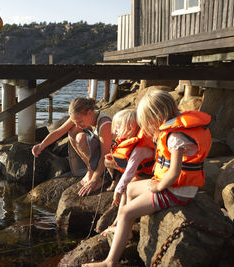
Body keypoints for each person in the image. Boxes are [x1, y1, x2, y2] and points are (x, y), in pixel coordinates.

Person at [82, 90, 211, 267]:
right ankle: (123, 228)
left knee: (128, 211)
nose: (148, 128)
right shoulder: (178, 129)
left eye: (148, 123)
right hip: (174, 185)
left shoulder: (175, 137)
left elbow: (174, 173)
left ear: (157, 117)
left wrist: (158, 186)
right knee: (130, 188)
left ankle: (110, 261)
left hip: (176, 191)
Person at [32, 97, 113, 197]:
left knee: (80, 137)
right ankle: (90, 169)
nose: (77, 125)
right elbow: (59, 132)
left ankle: (101, 177)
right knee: (72, 131)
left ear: (89, 113)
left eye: (79, 122)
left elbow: (105, 155)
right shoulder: (78, 117)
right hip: (96, 154)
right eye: (75, 122)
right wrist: (42, 145)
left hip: (109, 162)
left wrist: (94, 180)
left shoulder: (104, 124)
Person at [101, 109, 155, 236]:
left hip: (148, 176)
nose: (115, 131)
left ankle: (121, 226)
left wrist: (118, 190)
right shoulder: (133, 142)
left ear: (129, 128)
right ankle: (117, 223)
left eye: (118, 127)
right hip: (141, 174)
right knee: (125, 189)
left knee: (125, 191)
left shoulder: (139, 148)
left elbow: (130, 172)